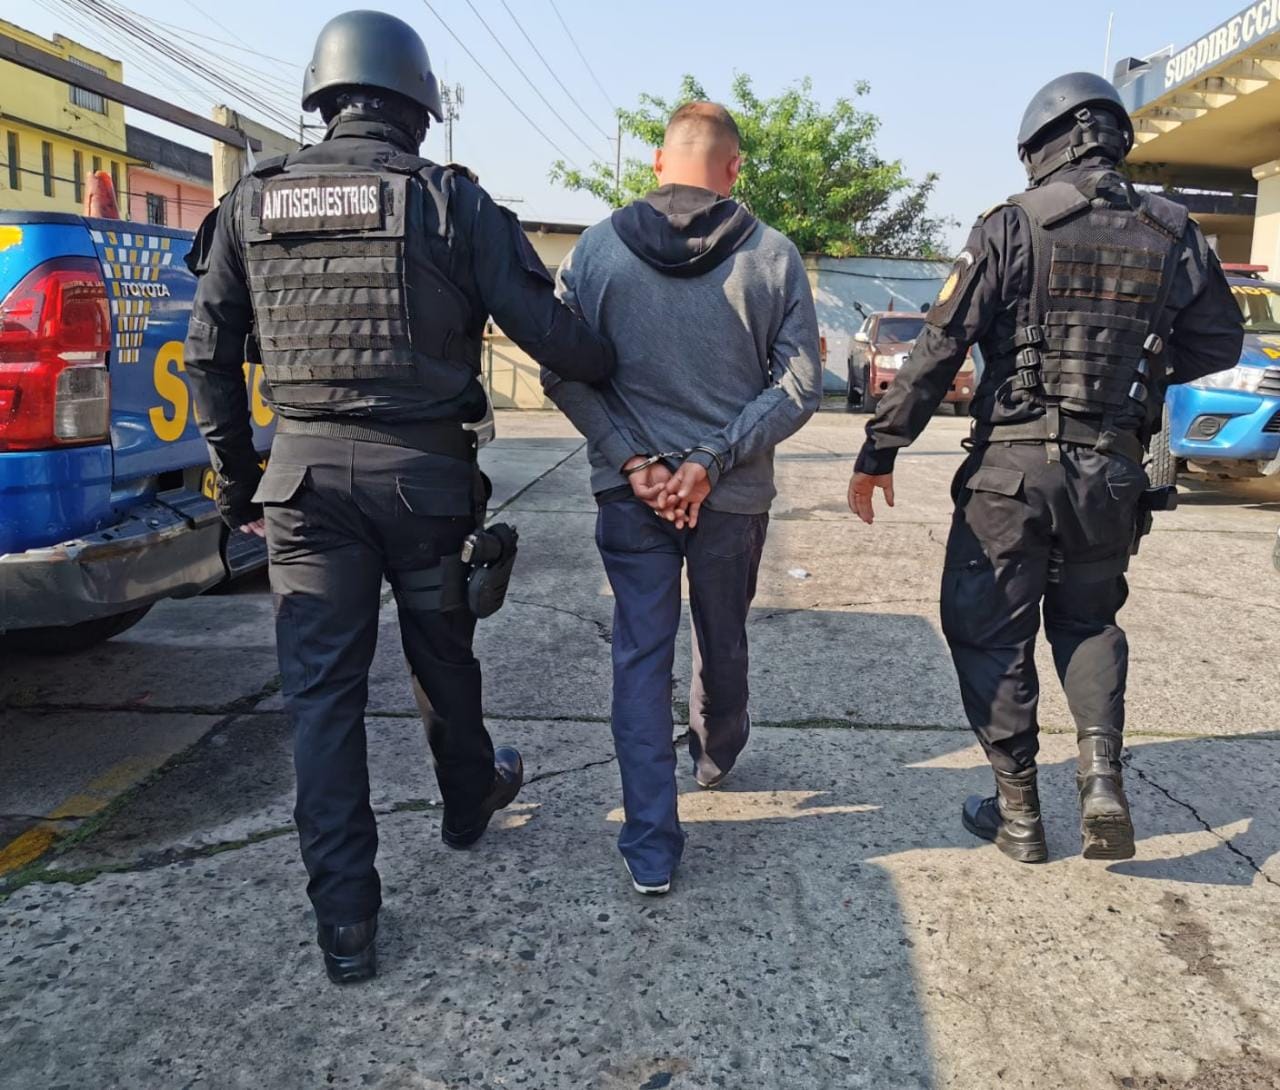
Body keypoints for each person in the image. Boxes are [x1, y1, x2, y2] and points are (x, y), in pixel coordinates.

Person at [184, 10, 615, 983]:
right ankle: (467, 804)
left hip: (302, 489)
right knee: (440, 656)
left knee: (324, 703)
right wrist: (617, 348)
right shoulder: (449, 202)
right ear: (418, 107)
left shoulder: (253, 202)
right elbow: (555, 337)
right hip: (424, 482)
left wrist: (239, 484)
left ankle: (347, 922)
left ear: (323, 98)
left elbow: (207, 356)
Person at [848, 73, 1243, 865]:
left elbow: (940, 346)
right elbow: (1221, 343)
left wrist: (880, 449)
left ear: (1042, 145)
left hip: (1011, 472)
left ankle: (1018, 811)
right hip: (1112, 471)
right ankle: (1101, 778)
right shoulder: (1177, 232)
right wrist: (1142, 368)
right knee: (1087, 620)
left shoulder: (1012, 224)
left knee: (988, 630)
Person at [544, 102, 822, 895]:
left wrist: (635, 461)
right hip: (730, 496)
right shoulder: (772, 255)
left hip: (629, 495)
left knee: (639, 654)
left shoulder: (596, 252)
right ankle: (716, 749)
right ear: (734, 170)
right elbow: (800, 385)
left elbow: (561, 370)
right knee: (722, 631)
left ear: (659, 165)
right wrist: (710, 460)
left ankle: (650, 846)